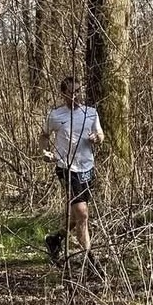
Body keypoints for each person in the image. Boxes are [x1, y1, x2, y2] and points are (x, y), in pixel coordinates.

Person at [39, 76, 104, 276]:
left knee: (76, 215)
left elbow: (100, 134)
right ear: (63, 93)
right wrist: (45, 152)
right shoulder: (56, 115)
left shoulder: (91, 113)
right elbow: (43, 135)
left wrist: (97, 138)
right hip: (66, 167)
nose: (75, 95)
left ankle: (55, 239)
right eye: (71, 92)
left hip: (87, 167)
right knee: (82, 213)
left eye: (78, 91)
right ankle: (90, 261)